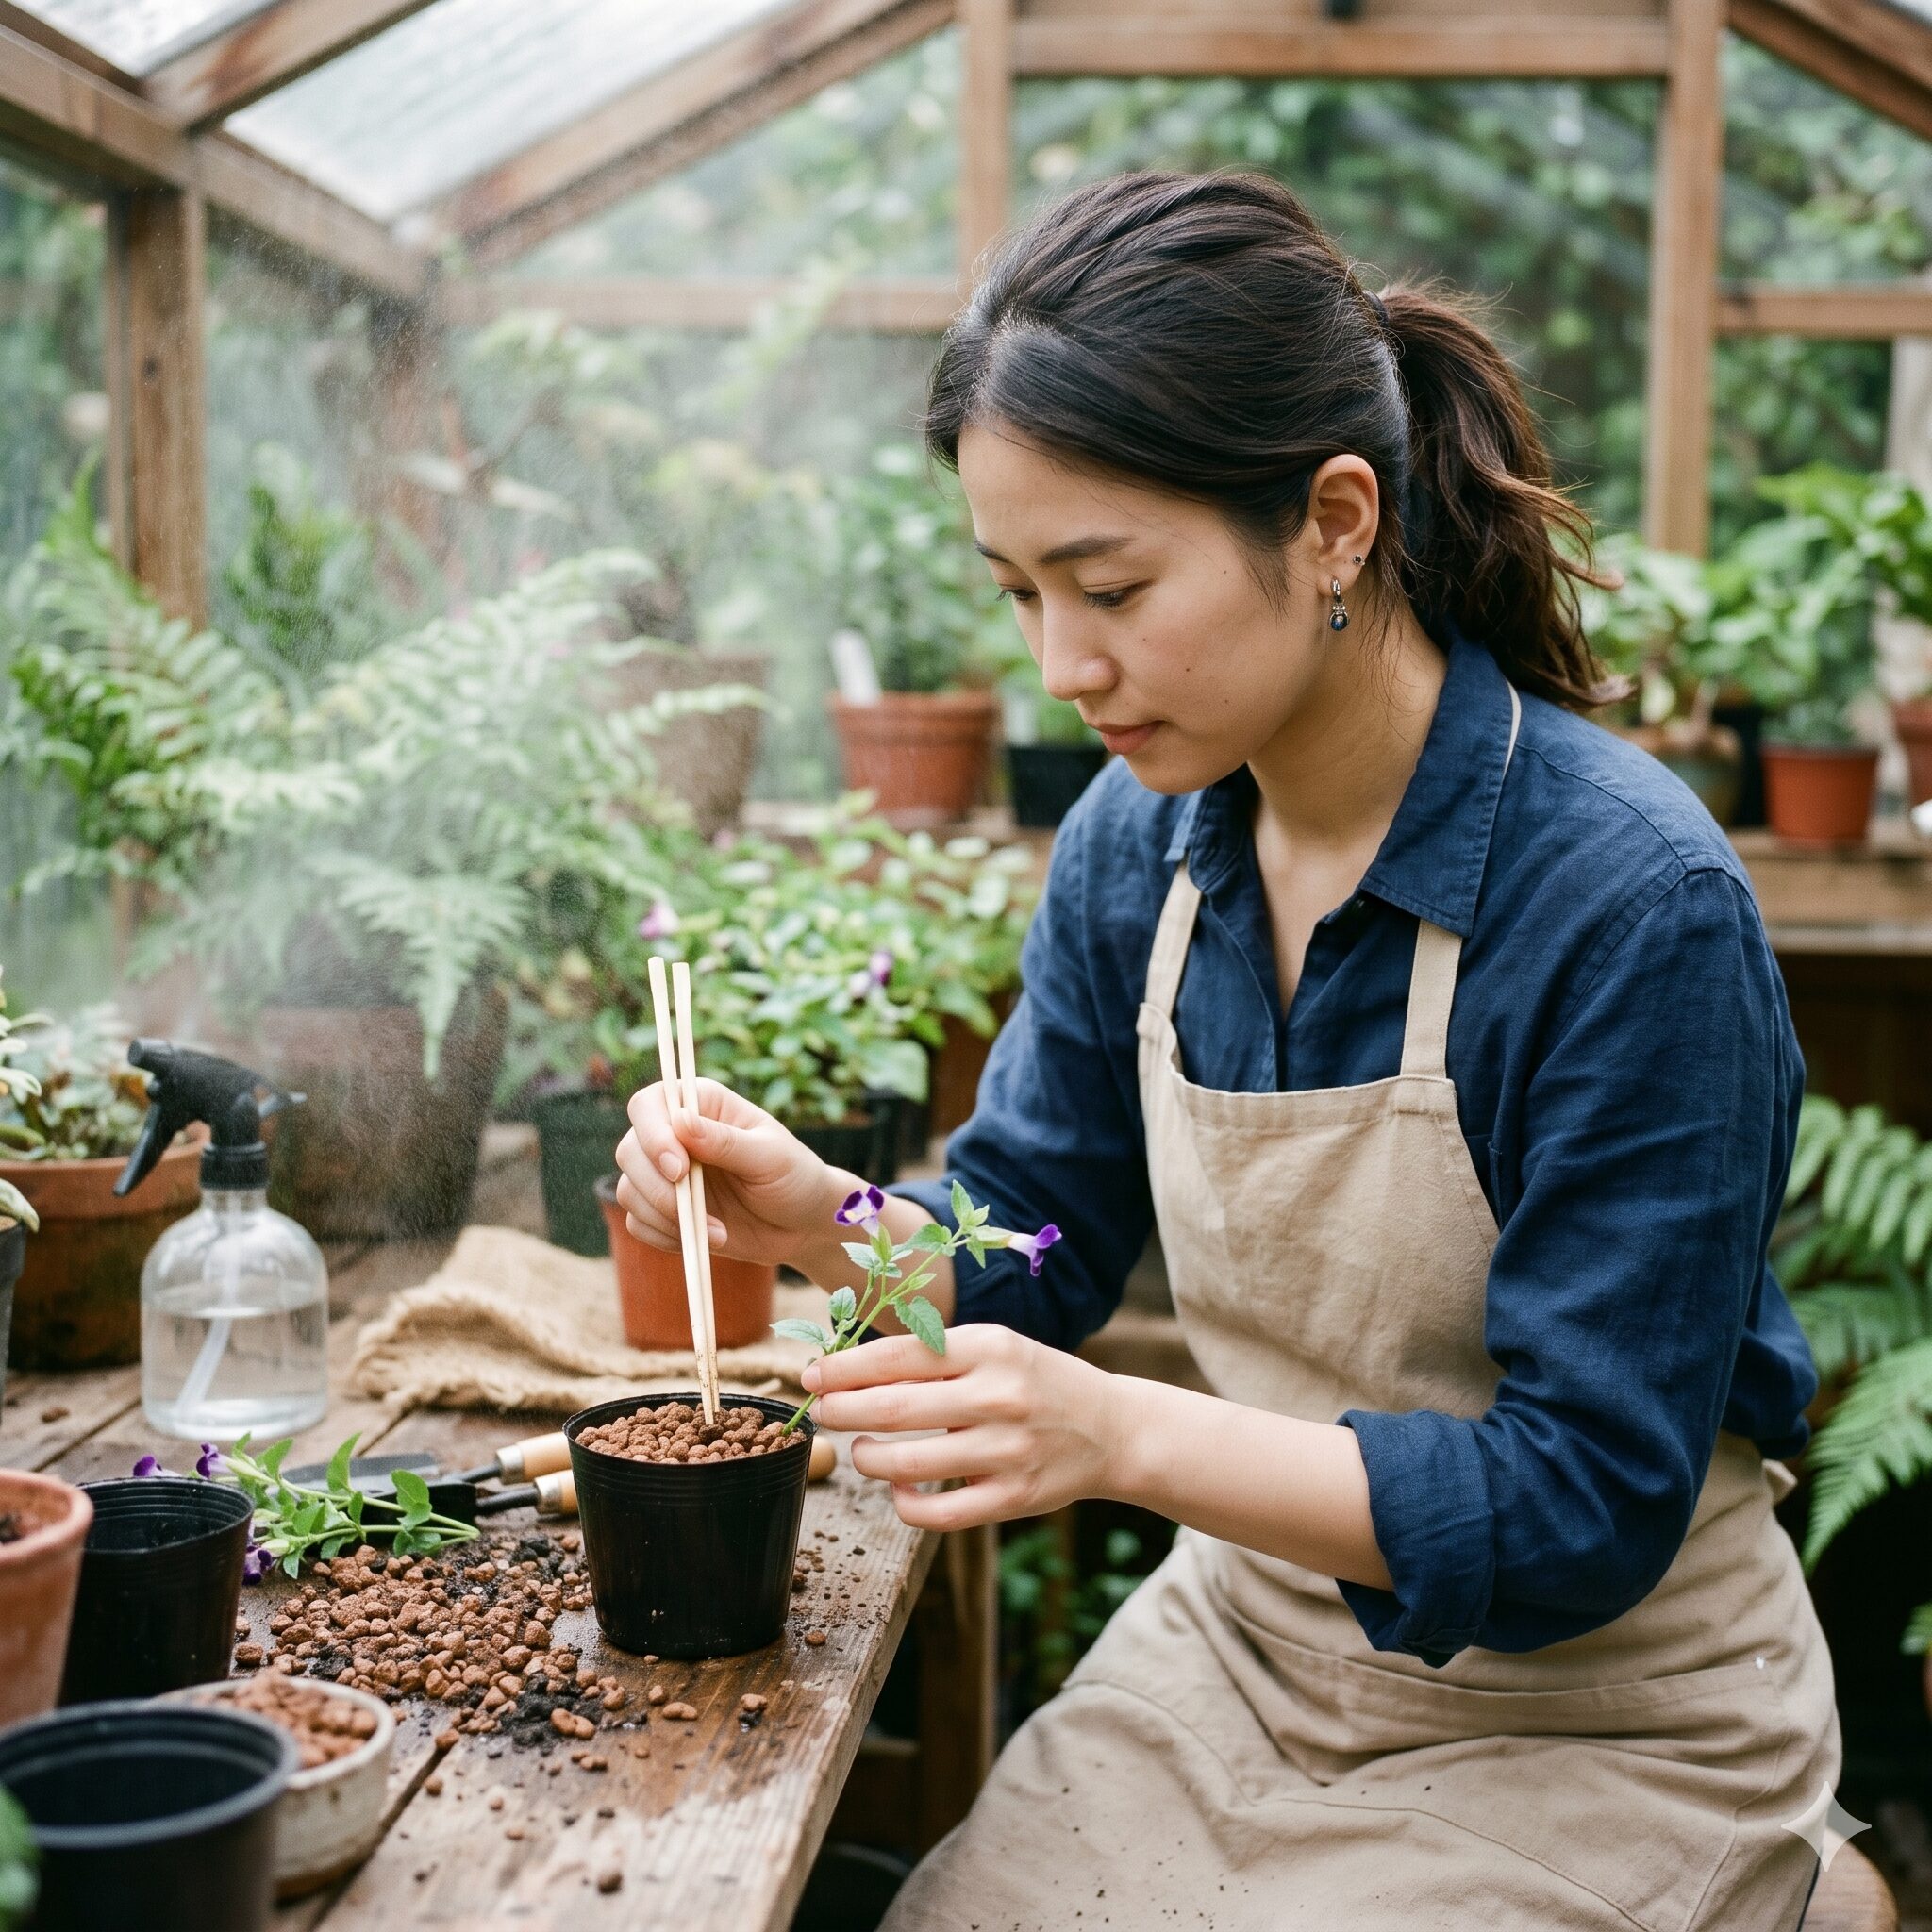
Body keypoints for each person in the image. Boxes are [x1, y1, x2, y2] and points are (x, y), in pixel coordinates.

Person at [615, 172, 1839, 1931]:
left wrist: (1119, 1438)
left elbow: (1582, 1506)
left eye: (1107, 582)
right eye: (1021, 592)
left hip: (1608, 1717)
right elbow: (1028, 1241)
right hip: (1250, 1653)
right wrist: (811, 1215)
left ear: (1335, 521)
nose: (1062, 665)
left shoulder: (1629, 909)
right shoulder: (1143, 844)